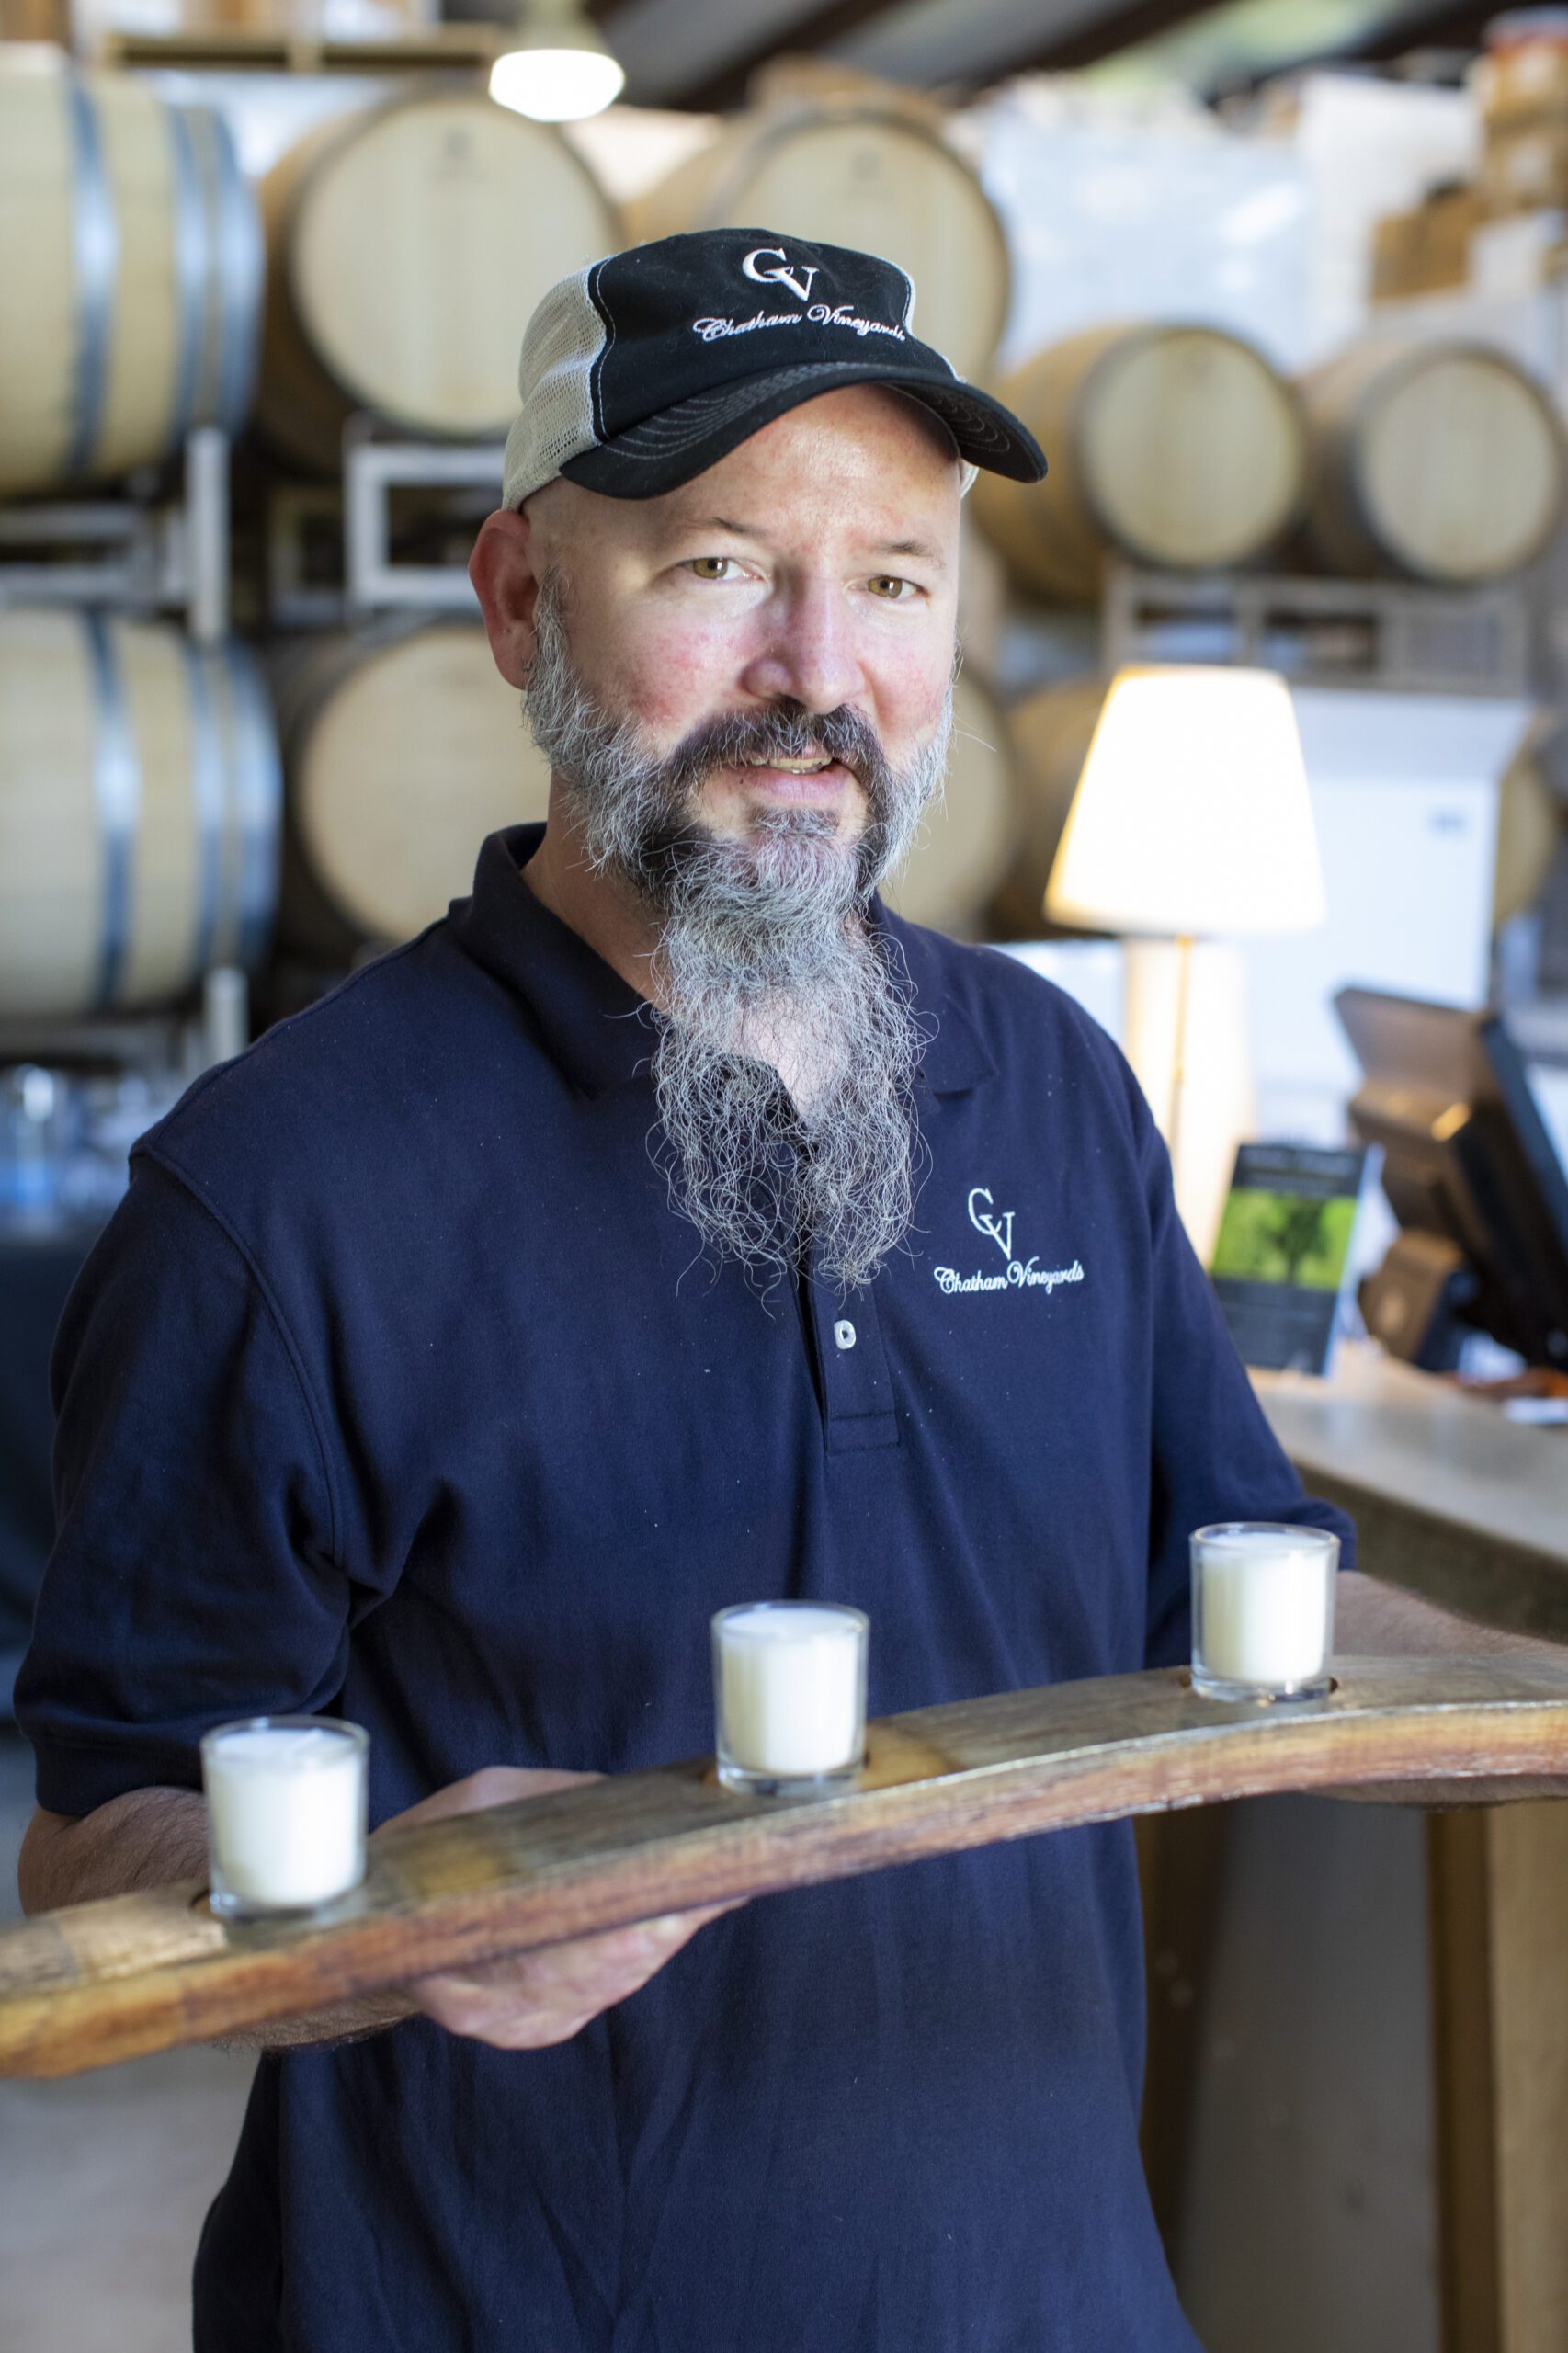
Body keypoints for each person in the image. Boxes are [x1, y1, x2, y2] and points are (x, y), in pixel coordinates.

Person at [9, 230, 1528, 2352]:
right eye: (720, 566)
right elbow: (89, 1844)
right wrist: (387, 1897)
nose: (817, 666)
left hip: (1054, 2300)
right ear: (525, 596)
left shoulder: (1051, 1082)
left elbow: (1248, 1605)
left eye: (895, 579)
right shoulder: (281, 1191)